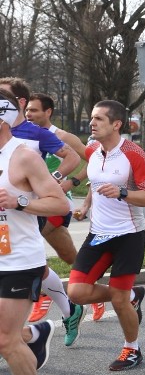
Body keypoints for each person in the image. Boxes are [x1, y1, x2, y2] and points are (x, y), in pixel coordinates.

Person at [66, 100, 145, 371]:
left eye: (98, 119)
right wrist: (85, 203)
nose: (92, 123)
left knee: (117, 299)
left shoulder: (133, 153)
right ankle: (130, 297)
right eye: (92, 118)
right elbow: (96, 177)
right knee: (77, 292)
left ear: (116, 124)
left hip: (128, 234)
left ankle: (132, 348)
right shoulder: (94, 149)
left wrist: (123, 192)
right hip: (99, 233)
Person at [0, 93, 71, 375]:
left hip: (18, 261)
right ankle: (34, 334)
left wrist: (20, 200)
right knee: (8, 335)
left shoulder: (23, 157)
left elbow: (59, 205)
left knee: (3, 339)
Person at [0, 79, 85, 347]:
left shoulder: (35, 132)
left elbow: (72, 157)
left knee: (30, 263)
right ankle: (26, 333)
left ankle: (23, 335)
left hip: (31, 209)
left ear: (18, 104)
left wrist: (55, 179)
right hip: (8, 215)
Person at [25, 93, 108, 324]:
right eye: (27, 110)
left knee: (26, 242)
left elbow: (94, 160)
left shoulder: (62, 136)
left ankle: (44, 293)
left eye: (34, 110)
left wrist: (73, 181)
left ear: (48, 112)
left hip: (57, 203)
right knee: (68, 254)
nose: (29, 115)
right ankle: (92, 291)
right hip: (33, 203)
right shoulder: (23, 135)